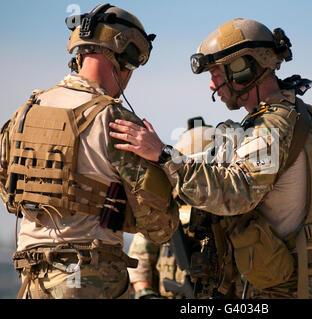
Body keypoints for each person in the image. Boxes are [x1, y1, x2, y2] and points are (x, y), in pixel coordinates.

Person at [111, 18, 312, 299]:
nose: (212, 85)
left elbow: (236, 193)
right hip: (310, 278)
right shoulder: (297, 114)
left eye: (216, 73)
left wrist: (162, 155)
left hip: (295, 286)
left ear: (243, 69)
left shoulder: (272, 127)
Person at [0, 3, 179, 299]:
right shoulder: (116, 120)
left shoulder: (25, 112)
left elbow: (9, 185)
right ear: (122, 55)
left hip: (31, 279)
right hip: (89, 278)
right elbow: (161, 226)